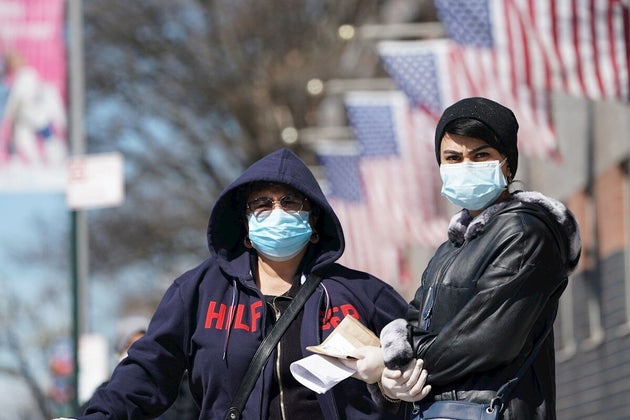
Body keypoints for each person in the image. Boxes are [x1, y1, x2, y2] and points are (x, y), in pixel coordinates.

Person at [77, 147, 413, 419]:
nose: (277, 212)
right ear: (246, 228)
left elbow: (427, 349)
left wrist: (390, 376)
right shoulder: (198, 291)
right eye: (262, 204)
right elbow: (147, 370)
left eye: (290, 202)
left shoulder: (362, 293)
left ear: (314, 222)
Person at [378, 97, 582, 418]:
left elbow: (485, 342)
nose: (466, 166)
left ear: (507, 164)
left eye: (481, 155)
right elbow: (416, 320)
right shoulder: (450, 249)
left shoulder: (523, 232)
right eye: (453, 157)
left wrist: (396, 362)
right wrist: (389, 380)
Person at [80, 316, 200, 420]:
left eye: (142, 345)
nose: (135, 352)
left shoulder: (184, 393)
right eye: (129, 345)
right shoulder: (104, 397)